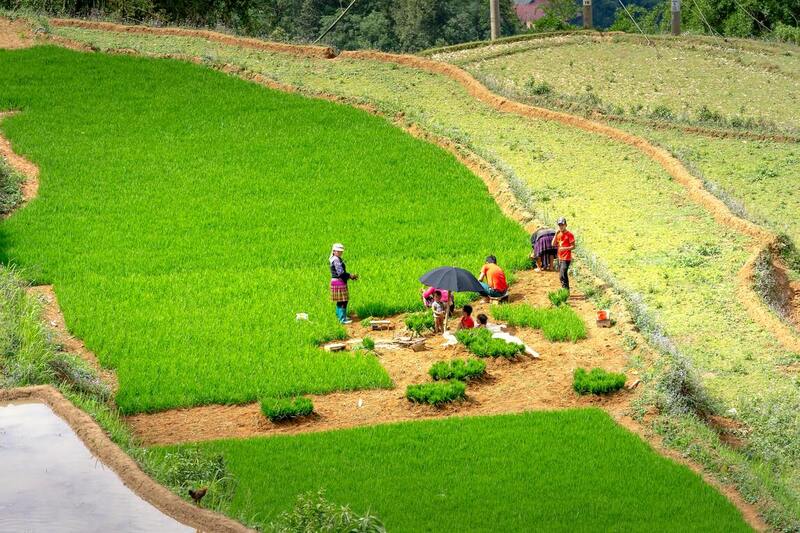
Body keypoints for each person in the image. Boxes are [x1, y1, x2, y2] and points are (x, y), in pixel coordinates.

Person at [329, 243, 358, 324]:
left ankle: (340, 316)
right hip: (339, 282)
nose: (340, 253)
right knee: (344, 300)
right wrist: (350, 276)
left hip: (335, 281)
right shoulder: (336, 260)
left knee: (340, 300)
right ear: (334, 251)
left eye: (341, 251)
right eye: (338, 251)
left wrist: (349, 276)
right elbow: (341, 273)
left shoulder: (334, 258)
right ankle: (342, 319)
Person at [552, 217, 575, 292]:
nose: (561, 226)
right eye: (559, 225)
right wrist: (556, 234)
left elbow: (573, 246)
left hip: (566, 258)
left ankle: (566, 291)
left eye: (562, 225)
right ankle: (565, 290)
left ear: (566, 225)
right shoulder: (558, 234)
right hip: (560, 257)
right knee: (561, 275)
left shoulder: (569, 235)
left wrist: (564, 248)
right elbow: (553, 244)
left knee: (563, 273)